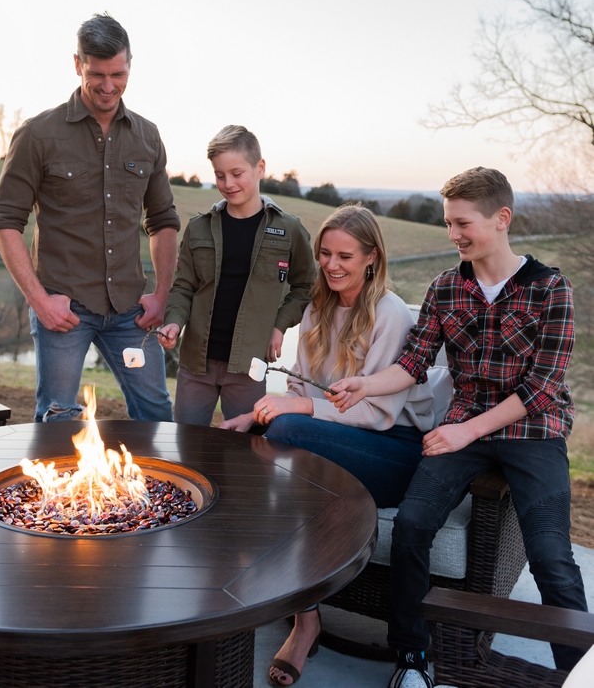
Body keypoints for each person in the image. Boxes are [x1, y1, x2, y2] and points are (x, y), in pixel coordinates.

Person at [330, 167, 589, 688]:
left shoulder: (550, 289)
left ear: (501, 218)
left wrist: (467, 432)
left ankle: (580, 672)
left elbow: (541, 389)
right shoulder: (446, 287)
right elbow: (413, 363)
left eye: (462, 223)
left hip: (532, 433)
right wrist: (364, 384)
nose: (454, 235)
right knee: (412, 527)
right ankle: (412, 658)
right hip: (463, 430)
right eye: (448, 224)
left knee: (552, 559)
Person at [222, 204, 435, 687]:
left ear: (371, 258)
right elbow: (301, 392)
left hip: (392, 450)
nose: (333, 265)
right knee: (256, 438)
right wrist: (253, 418)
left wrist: (291, 415)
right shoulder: (318, 307)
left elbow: (378, 414)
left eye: (345, 256)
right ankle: (307, 617)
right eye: (325, 254)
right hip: (328, 440)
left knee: (286, 433)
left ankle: (298, 616)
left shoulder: (390, 314)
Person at [0, 14, 180, 423]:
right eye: (96, 74)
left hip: (130, 312)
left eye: (118, 74)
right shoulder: (38, 135)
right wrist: (40, 302)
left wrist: (162, 294)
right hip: (64, 311)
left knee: (157, 414)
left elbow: (162, 220)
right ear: (78, 64)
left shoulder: (148, 137)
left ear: (130, 65)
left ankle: (154, 489)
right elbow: (5, 223)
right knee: (58, 418)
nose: (108, 86)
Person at [157, 125, 315, 426]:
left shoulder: (289, 230)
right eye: (219, 175)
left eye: (236, 173)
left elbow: (306, 286)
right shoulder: (198, 228)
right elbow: (184, 286)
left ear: (260, 168)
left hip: (249, 367)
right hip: (195, 366)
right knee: (187, 445)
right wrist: (174, 321)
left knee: (244, 450)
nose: (228, 183)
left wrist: (279, 326)